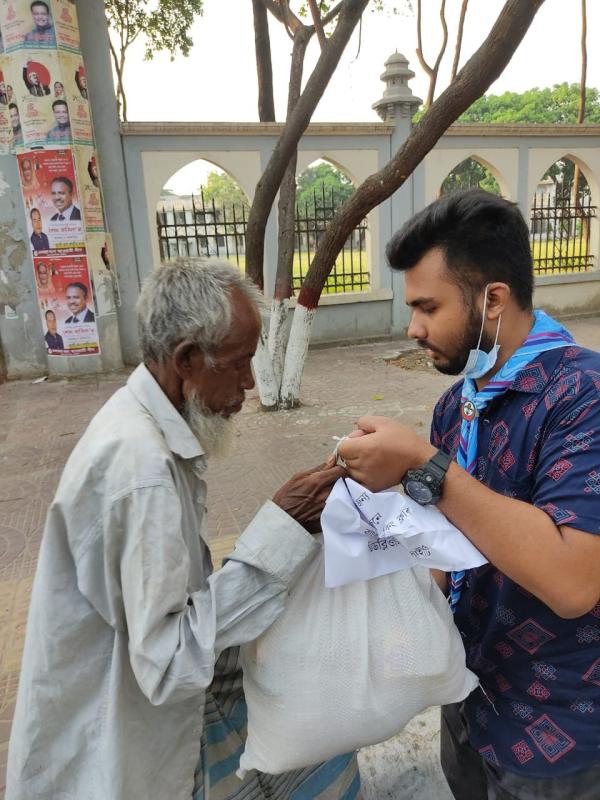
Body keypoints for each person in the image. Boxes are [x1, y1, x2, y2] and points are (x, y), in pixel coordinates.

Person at [6, 259, 361, 800]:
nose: (248, 381)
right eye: (240, 363)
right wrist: (284, 529)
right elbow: (170, 662)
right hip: (125, 732)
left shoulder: (148, 423)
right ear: (187, 359)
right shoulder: (141, 469)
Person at [338, 189, 600, 800]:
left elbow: (573, 582)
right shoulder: (457, 406)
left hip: (557, 729)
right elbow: (444, 550)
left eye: (429, 307)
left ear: (493, 301)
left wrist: (427, 467)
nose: (413, 328)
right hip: (468, 703)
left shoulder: (582, 395)